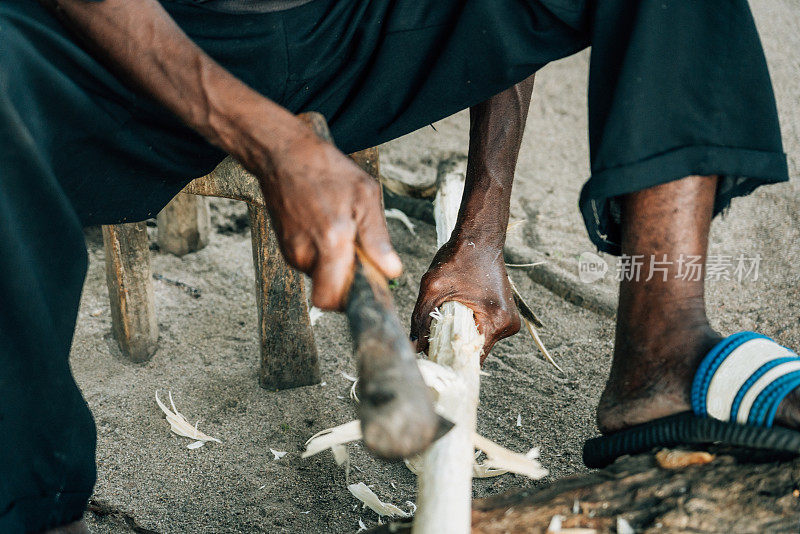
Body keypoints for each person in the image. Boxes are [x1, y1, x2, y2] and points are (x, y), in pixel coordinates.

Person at [0, 0, 793, 532]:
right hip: (118, 56)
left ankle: (661, 355)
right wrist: (272, 143)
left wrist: (483, 228)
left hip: (358, 28)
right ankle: (30, 491)